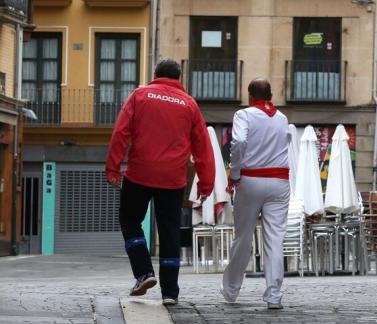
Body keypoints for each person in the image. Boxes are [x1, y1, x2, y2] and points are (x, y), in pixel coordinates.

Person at [106, 59, 215, 305]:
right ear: (179, 78)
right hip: (173, 178)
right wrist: (206, 183)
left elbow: (120, 133)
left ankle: (144, 272)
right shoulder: (190, 104)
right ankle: (170, 293)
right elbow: (202, 147)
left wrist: (113, 168)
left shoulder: (139, 96)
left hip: (139, 173)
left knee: (130, 219)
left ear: (154, 74)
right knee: (169, 231)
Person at [221, 78, 290, 310]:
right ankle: (273, 295)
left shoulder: (244, 115)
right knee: (275, 238)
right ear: (270, 96)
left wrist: (235, 171)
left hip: (251, 179)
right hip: (279, 181)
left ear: (250, 95)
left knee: (243, 236)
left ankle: (231, 290)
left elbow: (239, 141)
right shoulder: (283, 119)